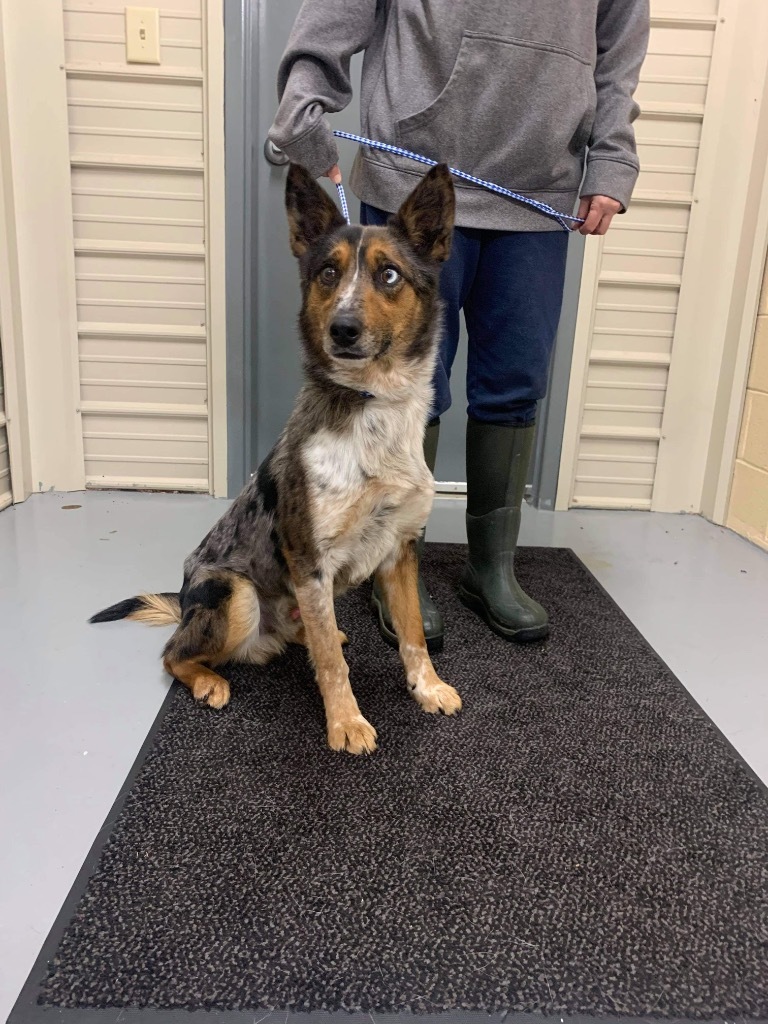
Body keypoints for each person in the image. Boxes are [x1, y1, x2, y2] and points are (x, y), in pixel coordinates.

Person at [268, 0, 650, 649]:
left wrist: (611, 158)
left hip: (538, 192)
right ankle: (395, 567)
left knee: (516, 383)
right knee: (402, 387)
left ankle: (490, 567)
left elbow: (618, 44)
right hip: (411, 185)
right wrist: (303, 108)